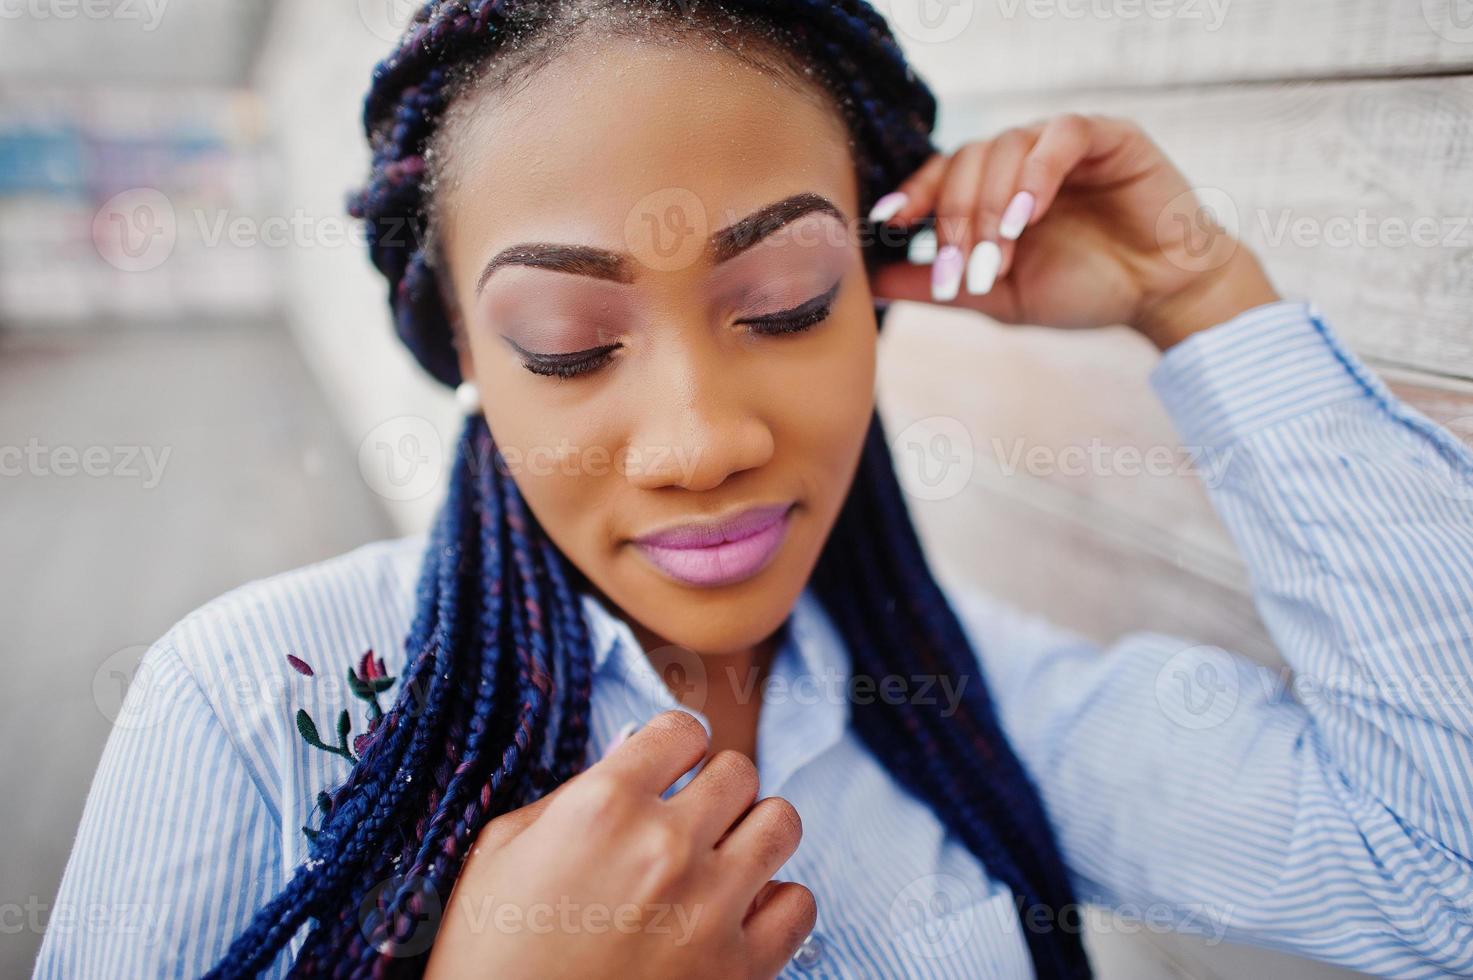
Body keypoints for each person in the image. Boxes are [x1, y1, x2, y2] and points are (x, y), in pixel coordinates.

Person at [35, 0, 1473, 977]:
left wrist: (1201, 299)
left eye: (783, 302)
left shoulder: (976, 705)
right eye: (571, 344)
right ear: (466, 350)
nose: (700, 437)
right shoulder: (253, 707)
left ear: (872, 292)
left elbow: (1441, 877)